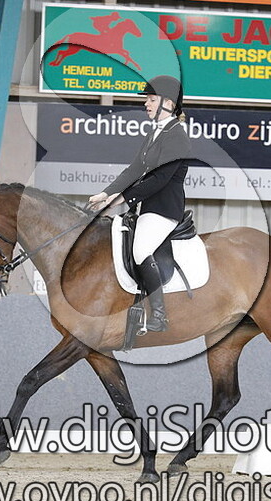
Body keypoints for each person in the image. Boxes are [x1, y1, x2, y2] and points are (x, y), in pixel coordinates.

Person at [87, 75, 191, 332]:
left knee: (141, 250)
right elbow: (134, 169)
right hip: (145, 208)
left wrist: (121, 199)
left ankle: (159, 315)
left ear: (168, 103)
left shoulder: (176, 136)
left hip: (163, 210)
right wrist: (106, 193)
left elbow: (160, 179)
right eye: (147, 99)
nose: (146, 104)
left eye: (151, 99)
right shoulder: (156, 132)